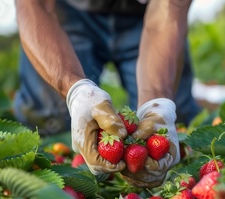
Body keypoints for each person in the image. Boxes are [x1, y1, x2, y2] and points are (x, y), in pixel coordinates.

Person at [12, 0, 200, 188]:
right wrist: (77, 92)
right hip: (69, 12)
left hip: (143, 15)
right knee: (49, 119)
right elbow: (35, 5)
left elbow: (168, 11)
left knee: (172, 120)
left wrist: (158, 103)